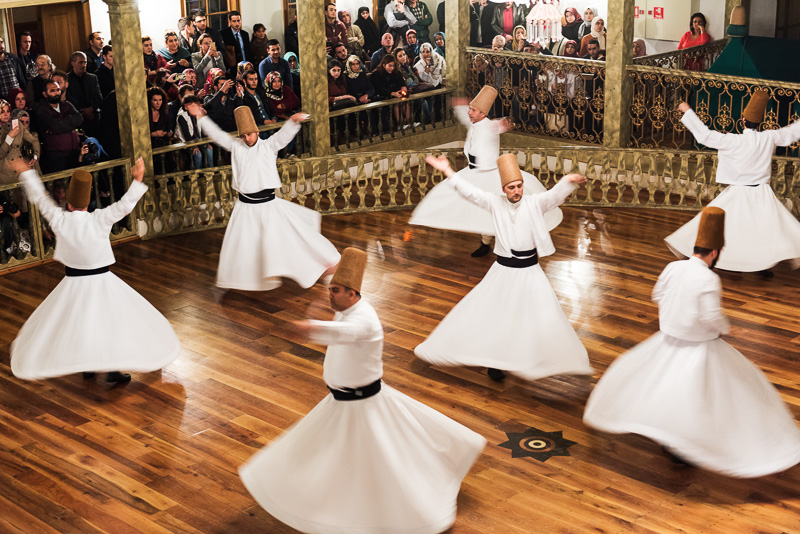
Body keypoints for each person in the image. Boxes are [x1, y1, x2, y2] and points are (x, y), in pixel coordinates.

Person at [240, 247, 486, 534]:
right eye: (330, 289)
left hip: (362, 405)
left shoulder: (364, 318)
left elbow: (349, 334)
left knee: (380, 461)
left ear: (353, 293)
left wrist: (310, 328)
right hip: (340, 402)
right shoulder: (346, 309)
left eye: (335, 290)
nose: (329, 295)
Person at [585, 207, 800, 477]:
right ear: (714, 253)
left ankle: (667, 435)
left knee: (663, 388)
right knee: (719, 392)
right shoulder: (709, 278)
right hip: (700, 347)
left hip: (668, 341)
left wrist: (674, 315)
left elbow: (657, 295)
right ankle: (689, 444)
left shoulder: (673, 267)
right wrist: (724, 328)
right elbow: (711, 317)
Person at [415, 154, 592, 382]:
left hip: (529, 271)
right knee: (497, 315)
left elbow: (553, 195)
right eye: (511, 187)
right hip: (503, 271)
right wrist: (447, 169)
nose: (516, 191)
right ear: (504, 189)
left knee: (541, 314)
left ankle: (540, 357)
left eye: (519, 186)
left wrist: (569, 180)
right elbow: (468, 191)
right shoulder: (494, 202)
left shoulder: (535, 202)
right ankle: (495, 361)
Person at [9, 157, 181, 383]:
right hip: (102, 281)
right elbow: (125, 205)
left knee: (79, 324)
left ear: (69, 203)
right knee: (109, 324)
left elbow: (41, 198)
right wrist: (138, 180)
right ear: (88, 202)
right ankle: (110, 369)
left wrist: (25, 172)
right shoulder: (100, 219)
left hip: (72, 283)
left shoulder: (59, 219)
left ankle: (87, 366)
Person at [185, 103, 340, 290]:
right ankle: (248, 279)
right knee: (245, 246)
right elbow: (217, 135)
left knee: (291, 237)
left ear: (256, 132)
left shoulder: (268, 147)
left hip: (268, 206)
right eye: (243, 136)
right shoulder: (236, 147)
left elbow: (282, 138)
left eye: (249, 134)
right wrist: (200, 118)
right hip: (245, 207)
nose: (246, 139)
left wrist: (292, 122)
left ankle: (322, 263)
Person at [410, 88, 561, 256]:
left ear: (483, 113)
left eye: (473, 110)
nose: (469, 113)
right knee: (451, 195)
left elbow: (498, 125)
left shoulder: (490, 126)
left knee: (495, 210)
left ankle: (498, 243)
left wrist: (504, 123)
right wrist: (460, 105)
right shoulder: (473, 123)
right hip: (472, 173)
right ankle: (485, 242)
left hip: (490, 174)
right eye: (470, 109)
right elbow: (465, 116)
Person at [665, 93, 800, 277]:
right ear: (759, 122)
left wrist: (688, 112)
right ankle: (759, 265)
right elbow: (792, 132)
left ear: (742, 120)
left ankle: (733, 261)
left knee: (723, 226)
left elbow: (704, 136)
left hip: (738, 193)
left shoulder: (732, 140)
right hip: (761, 194)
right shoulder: (768, 137)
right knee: (763, 229)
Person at [34, 79, 82, 174]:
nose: (56, 93)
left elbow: (80, 118)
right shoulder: (42, 110)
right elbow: (56, 126)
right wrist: (70, 123)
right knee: (60, 186)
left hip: (75, 153)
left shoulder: (66, 105)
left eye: (58, 90)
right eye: (52, 91)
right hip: (56, 157)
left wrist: (64, 123)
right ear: (45, 94)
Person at [0, 36, 27, 101]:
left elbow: (20, 77)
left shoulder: (11, 57)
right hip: (4, 99)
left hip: (18, 96)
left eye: (1, 42)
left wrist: (23, 92)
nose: (1, 45)